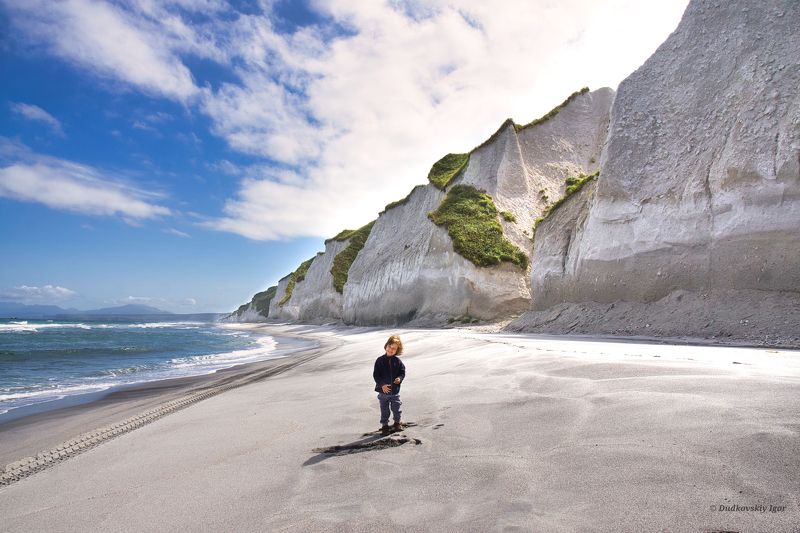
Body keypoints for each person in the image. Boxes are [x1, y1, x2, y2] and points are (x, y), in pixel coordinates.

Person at [373, 334, 406, 434]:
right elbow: (376, 375)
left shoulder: (398, 361)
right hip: (383, 392)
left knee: (396, 408)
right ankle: (385, 425)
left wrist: (399, 379)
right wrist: (382, 384)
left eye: (394, 348)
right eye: (389, 347)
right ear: (386, 346)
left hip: (395, 392)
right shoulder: (379, 360)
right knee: (384, 410)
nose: (391, 349)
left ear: (397, 351)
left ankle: (397, 422)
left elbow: (402, 372)